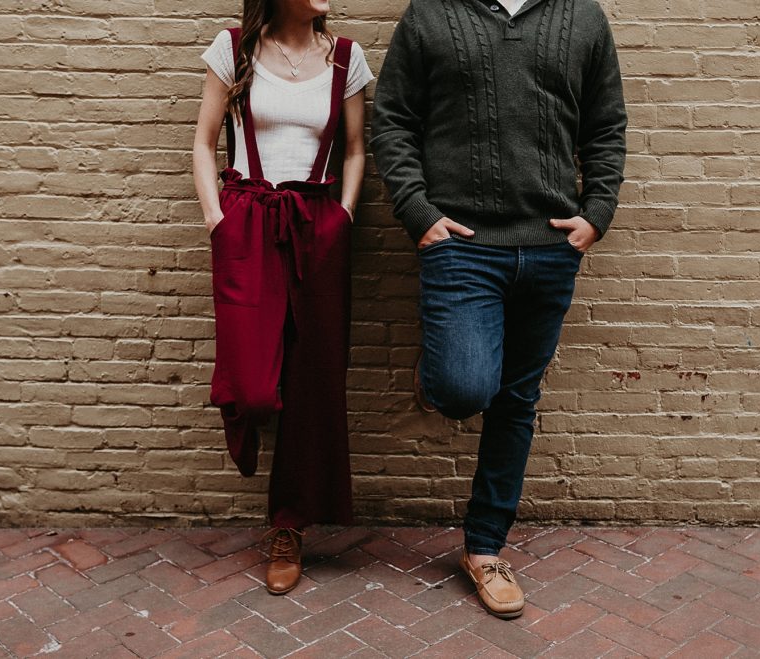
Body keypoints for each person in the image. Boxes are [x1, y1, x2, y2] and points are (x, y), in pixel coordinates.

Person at [371, 0, 627, 618]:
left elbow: (606, 125)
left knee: (516, 401)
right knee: (462, 388)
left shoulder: (582, 17)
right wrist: (419, 213)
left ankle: (485, 550)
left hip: (549, 248)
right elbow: (392, 121)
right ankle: (442, 365)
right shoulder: (430, 15)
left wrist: (595, 216)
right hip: (462, 247)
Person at [192, 0, 372, 595]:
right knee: (252, 387)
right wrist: (218, 220)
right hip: (248, 220)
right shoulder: (235, 48)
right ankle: (248, 423)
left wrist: (342, 216)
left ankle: (287, 527)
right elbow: (204, 141)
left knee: (312, 380)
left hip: (317, 224)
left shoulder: (347, 58)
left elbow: (354, 148)